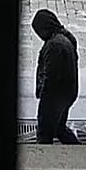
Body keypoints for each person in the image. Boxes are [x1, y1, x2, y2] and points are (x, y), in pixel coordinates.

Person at [31, 8, 80, 144]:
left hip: (54, 98)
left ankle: (45, 160)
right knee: (59, 128)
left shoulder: (54, 46)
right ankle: (80, 151)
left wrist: (44, 98)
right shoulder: (66, 38)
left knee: (44, 132)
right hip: (67, 93)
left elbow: (51, 78)